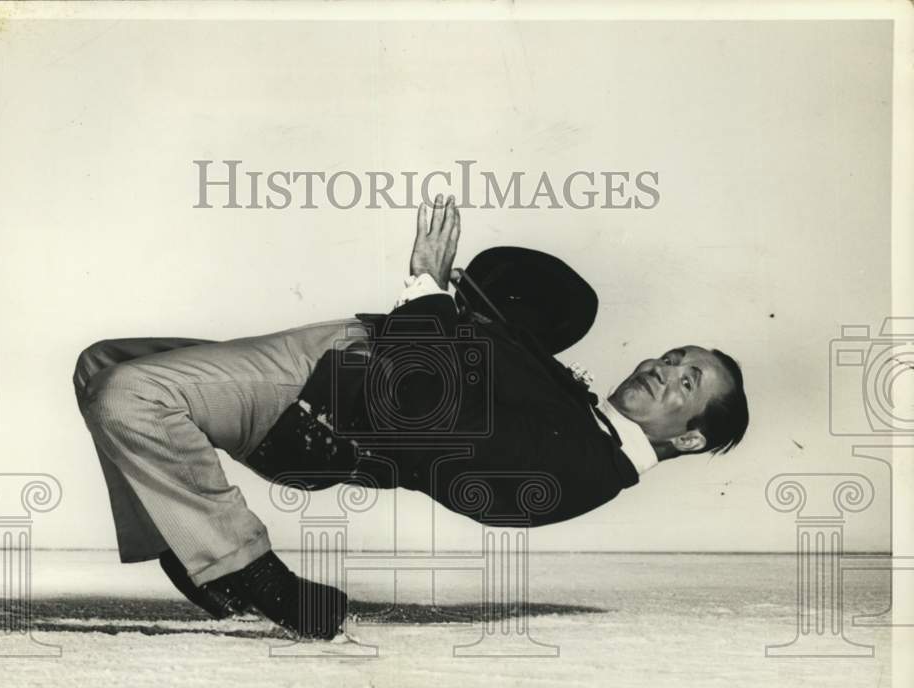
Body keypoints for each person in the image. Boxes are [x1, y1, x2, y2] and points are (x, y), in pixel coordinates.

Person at [74, 195, 749, 640]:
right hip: (327, 358)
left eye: (686, 381)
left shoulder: (582, 465)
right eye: (673, 355)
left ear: (689, 434)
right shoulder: (581, 418)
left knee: (131, 395)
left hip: (313, 400)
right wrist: (479, 315)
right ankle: (184, 543)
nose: (664, 367)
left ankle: (244, 571)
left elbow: (428, 416)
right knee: (101, 364)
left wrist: (428, 287)